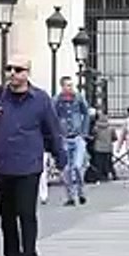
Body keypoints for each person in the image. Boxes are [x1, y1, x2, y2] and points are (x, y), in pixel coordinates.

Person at [0, 55, 66, 256]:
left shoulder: (40, 99)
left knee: (26, 214)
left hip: (28, 165)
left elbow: (52, 130)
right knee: (6, 216)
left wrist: (60, 156)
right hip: (3, 164)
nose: (12, 74)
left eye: (18, 69)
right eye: (9, 69)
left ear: (27, 73)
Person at [54, 75, 90, 206]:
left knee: (77, 166)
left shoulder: (78, 98)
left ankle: (81, 192)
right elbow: (52, 117)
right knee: (66, 169)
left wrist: (84, 131)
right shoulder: (56, 100)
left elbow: (86, 113)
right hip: (64, 138)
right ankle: (70, 196)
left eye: (71, 85)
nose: (70, 88)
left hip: (77, 137)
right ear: (62, 87)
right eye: (68, 85)